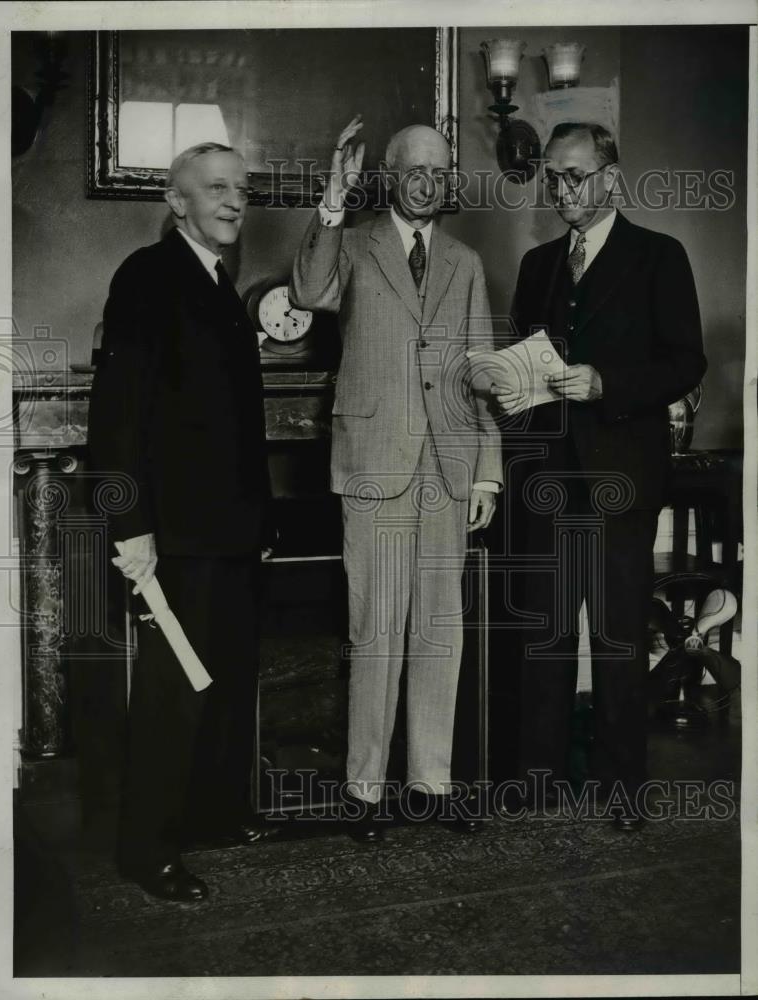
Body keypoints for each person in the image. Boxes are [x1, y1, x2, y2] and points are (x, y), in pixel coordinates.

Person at [290, 117, 502, 843]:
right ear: (387, 176)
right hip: (375, 463)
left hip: (447, 467)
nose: (428, 183)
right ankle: (364, 788)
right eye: (415, 170)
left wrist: (487, 475)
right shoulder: (352, 243)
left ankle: (432, 783)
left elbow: (479, 375)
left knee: (441, 628)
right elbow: (309, 289)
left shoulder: (465, 263)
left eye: (440, 173)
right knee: (374, 629)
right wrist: (332, 200)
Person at [493, 123, 706, 828]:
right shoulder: (538, 264)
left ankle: (623, 787)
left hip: (621, 476)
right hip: (548, 476)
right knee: (546, 632)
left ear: (612, 178)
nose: (561, 190)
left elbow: (685, 362)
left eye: (575, 176)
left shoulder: (659, 256)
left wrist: (606, 383)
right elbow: (525, 357)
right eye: (553, 177)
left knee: (616, 635)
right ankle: (538, 777)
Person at [88, 142, 275, 902]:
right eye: (217, 189)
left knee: (224, 680)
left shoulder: (219, 283)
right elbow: (119, 413)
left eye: (242, 189)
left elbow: (235, 423)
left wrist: (260, 523)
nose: (235, 201)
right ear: (177, 201)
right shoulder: (146, 276)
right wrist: (130, 527)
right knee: (173, 690)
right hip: (174, 533)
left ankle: (210, 814)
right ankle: (147, 848)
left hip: (228, 530)